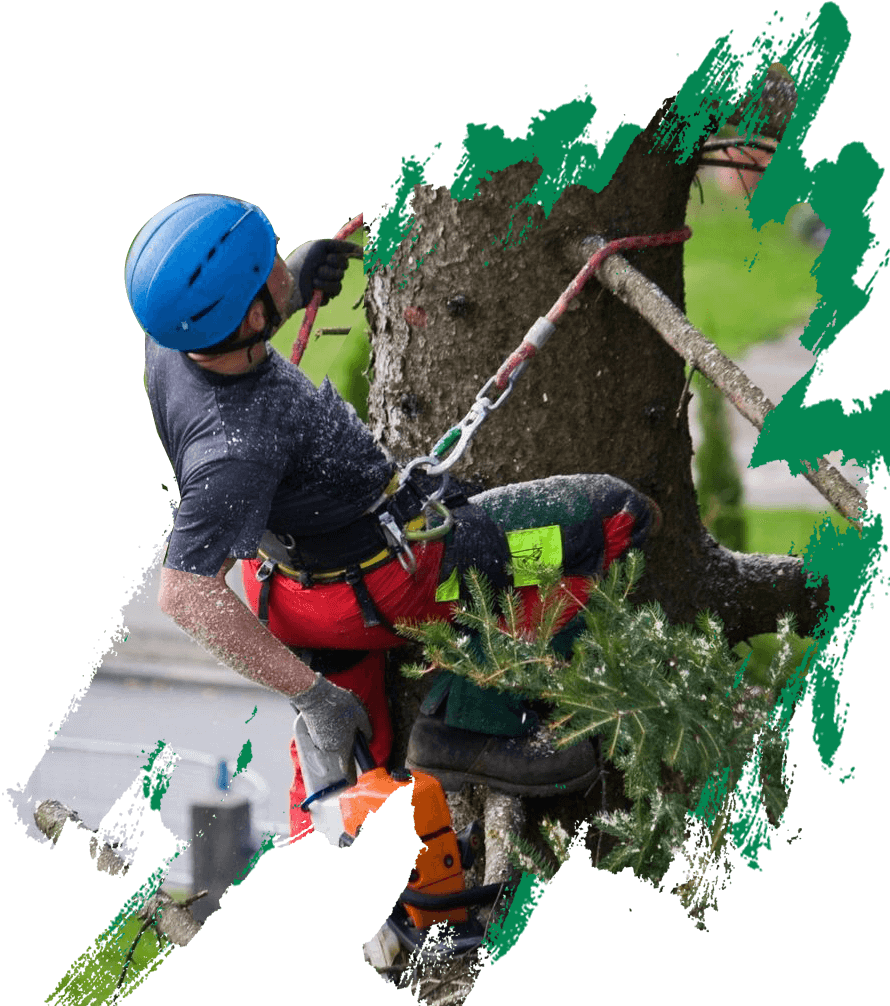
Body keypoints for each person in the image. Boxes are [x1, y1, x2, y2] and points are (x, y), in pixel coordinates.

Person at [126, 194, 662, 838]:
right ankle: (477, 723)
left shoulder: (170, 340)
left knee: (340, 789)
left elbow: (224, 314)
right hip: (396, 587)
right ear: (245, 318)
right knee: (606, 521)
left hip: (293, 595)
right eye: (267, 269)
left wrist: (288, 286)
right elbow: (183, 591)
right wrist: (311, 696)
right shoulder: (237, 445)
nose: (280, 266)